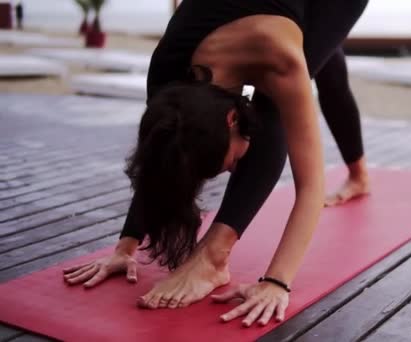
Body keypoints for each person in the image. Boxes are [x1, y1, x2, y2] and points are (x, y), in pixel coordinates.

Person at [62, 0, 369, 327]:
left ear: (232, 116)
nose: (237, 169)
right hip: (245, 16)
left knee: (276, 102)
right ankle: (359, 175)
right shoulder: (170, 66)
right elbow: (164, 151)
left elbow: (310, 186)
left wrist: (276, 282)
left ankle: (214, 256)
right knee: (323, 61)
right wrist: (126, 245)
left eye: (232, 161)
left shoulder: (280, 60)